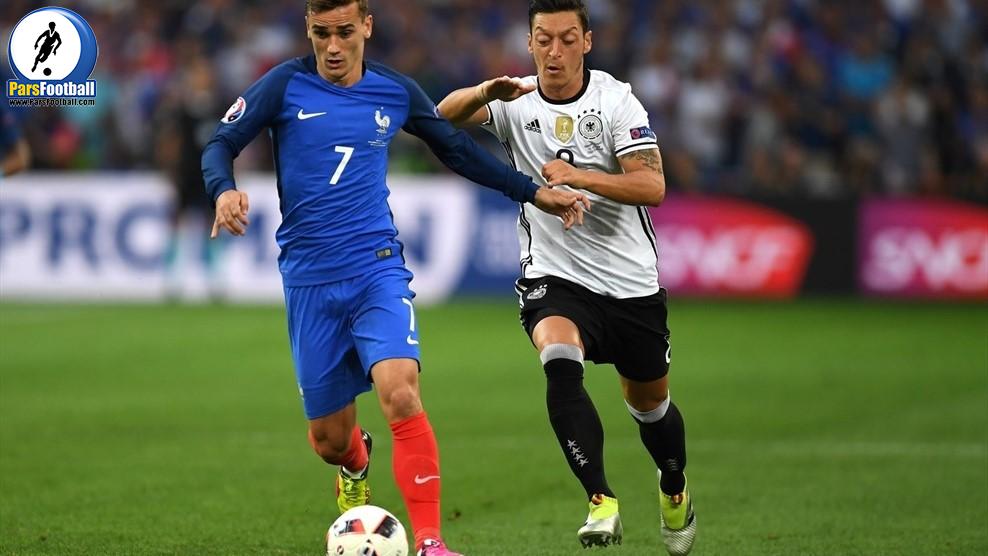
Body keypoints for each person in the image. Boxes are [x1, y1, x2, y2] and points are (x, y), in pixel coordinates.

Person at [200, 2, 589, 555]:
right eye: (321, 33)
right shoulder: (283, 85)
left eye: (344, 32)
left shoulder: (394, 90)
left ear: (367, 27)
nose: (333, 46)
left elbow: (456, 150)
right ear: (308, 30)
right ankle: (356, 459)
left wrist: (532, 192)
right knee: (329, 440)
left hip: (376, 266)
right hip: (310, 280)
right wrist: (223, 190)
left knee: (401, 391)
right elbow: (220, 143)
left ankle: (430, 541)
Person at [437, 1, 695, 554]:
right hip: (554, 273)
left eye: (567, 39)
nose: (554, 52)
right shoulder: (514, 97)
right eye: (544, 39)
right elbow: (441, 116)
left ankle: (674, 486)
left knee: (650, 408)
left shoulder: (615, 100)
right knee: (558, 357)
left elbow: (652, 186)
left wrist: (581, 177)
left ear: (587, 41)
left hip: (628, 281)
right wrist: (483, 92)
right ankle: (601, 500)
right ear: (529, 42)